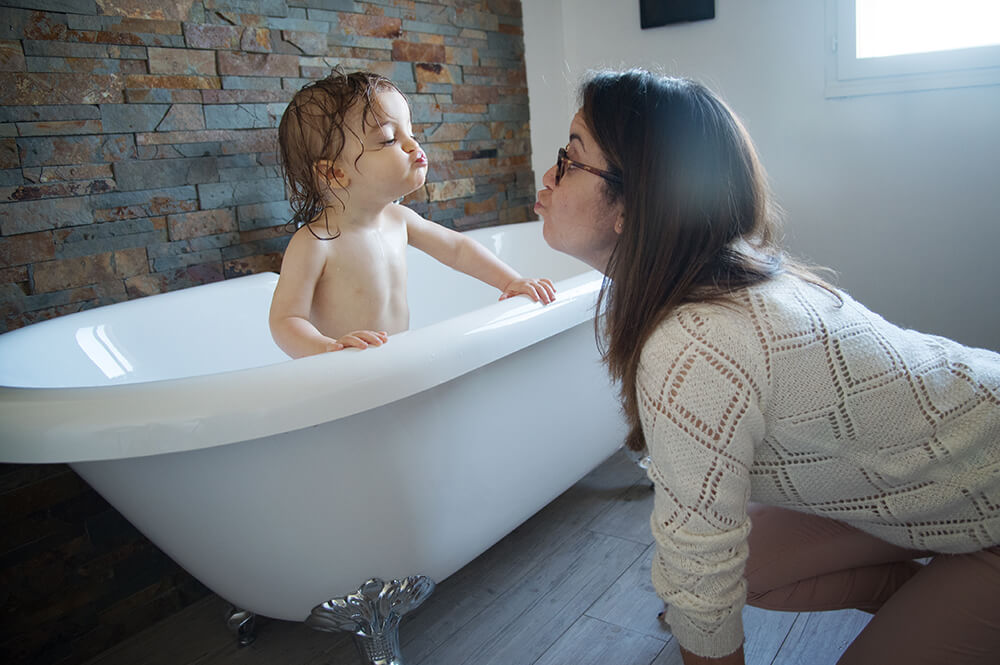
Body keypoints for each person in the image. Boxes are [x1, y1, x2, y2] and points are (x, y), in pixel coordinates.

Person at [534, 68, 1000, 665]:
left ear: (635, 204)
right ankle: (937, 603)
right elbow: (705, 567)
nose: (547, 176)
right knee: (751, 570)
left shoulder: (695, 341)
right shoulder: (723, 275)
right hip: (947, 474)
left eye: (569, 160)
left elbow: (700, 581)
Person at [270, 70, 555, 358]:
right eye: (389, 138)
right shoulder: (317, 242)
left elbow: (457, 249)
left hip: (398, 365)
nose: (413, 145)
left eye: (411, 132)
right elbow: (286, 320)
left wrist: (510, 282)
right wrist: (327, 348)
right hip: (346, 377)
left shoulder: (400, 220)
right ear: (335, 172)